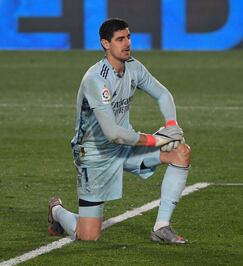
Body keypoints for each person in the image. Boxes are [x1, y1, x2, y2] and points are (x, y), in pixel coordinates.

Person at [47, 18, 191, 244]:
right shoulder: (96, 79)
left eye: (129, 37)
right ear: (105, 43)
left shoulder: (134, 66)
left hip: (125, 147)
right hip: (95, 155)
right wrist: (157, 140)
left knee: (180, 152)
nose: (127, 43)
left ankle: (161, 226)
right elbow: (112, 133)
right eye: (120, 39)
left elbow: (163, 94)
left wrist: (171, 125)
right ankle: (56, 210)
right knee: (88, 235)